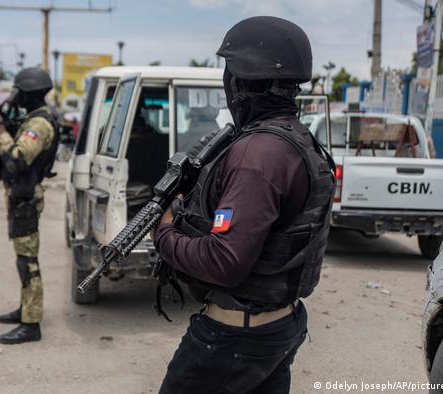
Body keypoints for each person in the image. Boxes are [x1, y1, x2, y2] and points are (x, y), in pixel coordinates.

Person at [152, 17, 335, 393]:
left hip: (235, 339)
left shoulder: (258, 152)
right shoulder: (295, 138)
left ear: (239, 81)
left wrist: (164, 232)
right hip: (275, 327)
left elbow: (224, 261)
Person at [0, 67, 59, 344]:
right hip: (20, 195)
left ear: (28, 93)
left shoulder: (39, 124)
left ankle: (31, 324)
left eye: (18, 92)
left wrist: (1, 132)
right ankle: (26, 309)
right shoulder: (31, 120)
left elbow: (17, 159)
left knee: (28, 262)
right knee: (23, 258)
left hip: (26, 197)